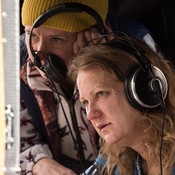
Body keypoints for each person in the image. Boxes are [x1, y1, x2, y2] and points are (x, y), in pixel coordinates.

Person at [20, 0, 159, 174]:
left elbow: (151, 129)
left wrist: (92, 69)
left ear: (91, 34)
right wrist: (38, 163)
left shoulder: (133, 48)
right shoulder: (17, 59)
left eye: (56, 39)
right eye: (32, 35)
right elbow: (10, 138)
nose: (38, 52)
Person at [68, 35, 175, 175]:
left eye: (101, 94)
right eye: (86, 102)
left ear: (145, 89)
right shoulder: (115, 158)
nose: (90, 115)